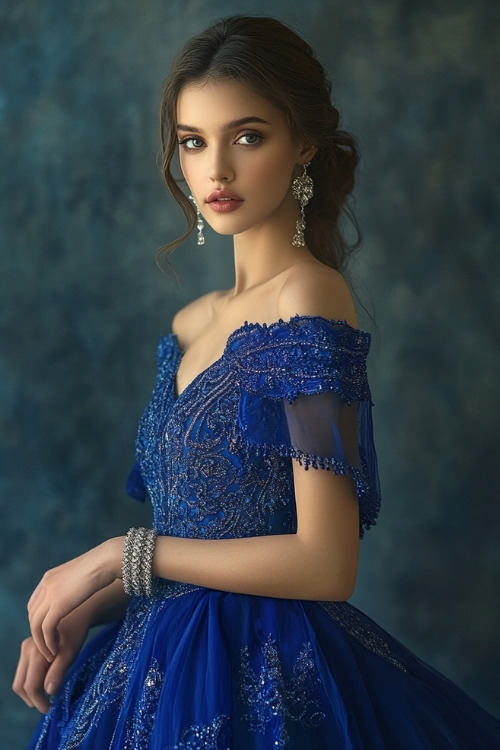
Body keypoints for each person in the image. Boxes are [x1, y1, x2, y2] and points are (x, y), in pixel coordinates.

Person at [13, 15, 500, 750]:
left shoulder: (308, 299)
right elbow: (199, 536)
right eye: (193, 142)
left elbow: (326, 561)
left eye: (247, 136)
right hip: (148, 665)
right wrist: (96, 601)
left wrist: (118, 555)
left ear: (302, 143)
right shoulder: (187, 323)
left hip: (263, 675)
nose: (216, 171)